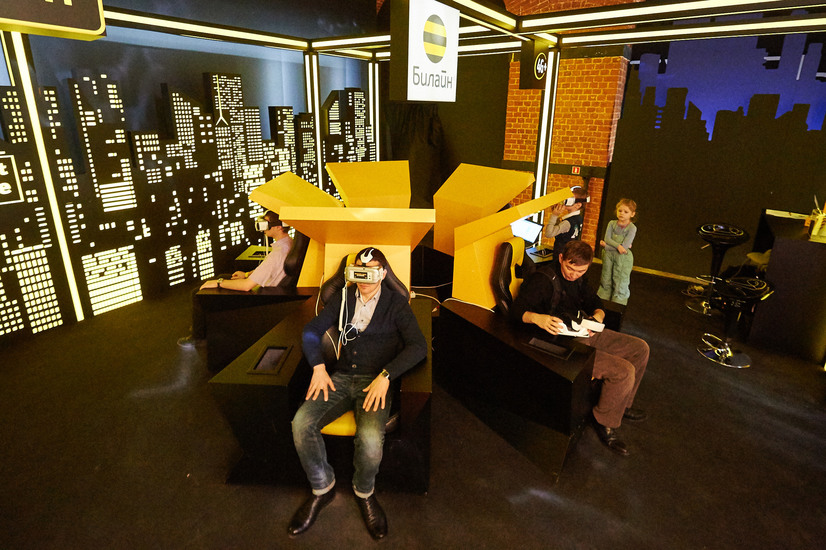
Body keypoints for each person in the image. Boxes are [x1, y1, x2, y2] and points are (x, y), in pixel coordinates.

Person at [288, 247, 427, 540]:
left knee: (371, 440)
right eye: (358, 271)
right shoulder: (343, 298)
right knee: (301, 423)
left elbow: (418, 346)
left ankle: (364, 492)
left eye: (371, 271)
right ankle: (322, 487)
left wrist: (387, 376)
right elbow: (311, 331)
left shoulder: (396, 304)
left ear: (383, 274)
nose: (364, 278)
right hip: (339, 378)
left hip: (375, 381)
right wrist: (318, 367)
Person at [511, 240, 649, 456]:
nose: (574, 275)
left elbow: (594, 301)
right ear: (561, 259)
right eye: (570, 268)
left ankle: (622, 404)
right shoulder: (542, 280)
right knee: (624, 371)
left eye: (581, 271)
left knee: (640, 348)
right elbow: (516, 310)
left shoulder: (580, 278)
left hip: (581, 330)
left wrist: (598, 317)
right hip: (558, 340)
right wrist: (538, 318)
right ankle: (604, 421)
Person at [177, 210, 293, 348]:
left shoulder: (278, 254)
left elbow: (246, 286)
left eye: (266, 223)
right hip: (265, 287)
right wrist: (246, 274)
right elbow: (268, 270)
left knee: (197, 293)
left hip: (260, 295)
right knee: (223, 276)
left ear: (278, 227)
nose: (262, 226)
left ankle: (198, 337)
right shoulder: (288, 243)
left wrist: (218, 283)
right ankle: (202, 324)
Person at [598, 198, 638, 305]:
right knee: (606, 277)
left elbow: (624, 248)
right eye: (620, 211)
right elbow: (607, 238)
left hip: (622, 258)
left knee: (620, 279)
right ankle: (602, 300)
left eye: (626, 212)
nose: (622, 213)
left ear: (632, 214)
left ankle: (618, 303)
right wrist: (617, 246)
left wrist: (606, 246)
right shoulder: (612, 223)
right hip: (608, 256)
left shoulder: (632, 228)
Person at [543, 186, 589, 260]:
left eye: (570, 199)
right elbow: (561, 231)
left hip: (560, 256)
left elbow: (549, 234)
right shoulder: (578, 218)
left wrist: (554, 215)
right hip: (569, 254)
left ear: (578, 205)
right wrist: (557, 216)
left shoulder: (567, 223)